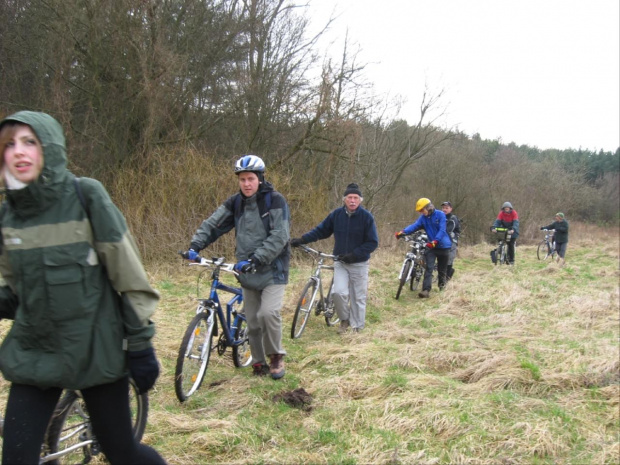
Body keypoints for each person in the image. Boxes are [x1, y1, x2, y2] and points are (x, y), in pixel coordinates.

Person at [0, 111, 166, 464]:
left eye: (30, 141)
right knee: (15, 458)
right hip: (36, 352)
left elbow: (130, 278)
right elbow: (13, 292)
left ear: (50, 147)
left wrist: (139, 344)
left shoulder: (86, 195)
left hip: (97, 351)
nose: (18, 151)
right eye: (9, 144)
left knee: (121, 451)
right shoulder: (7, 217)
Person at [184, 155, 289, 379]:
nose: (246, 184)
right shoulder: (236, 202)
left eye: (251, 178)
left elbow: (280, 236)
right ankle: (258, 362)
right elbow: (214, 224)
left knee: (268, 313)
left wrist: (256, 259)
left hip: (272, 270)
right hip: (247, 271)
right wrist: (195, 246)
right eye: (242, 179)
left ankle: (276, 356)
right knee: (252, 322)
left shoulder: (275, 201)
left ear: (260, 179)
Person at [290, 183, 378, 333]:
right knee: (338, 292)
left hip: (359, 263)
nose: (352, 200)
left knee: (358, 297)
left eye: (355, 198)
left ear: (360, 200)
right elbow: (321, 231)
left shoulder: (366, 218)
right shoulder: (336, 215)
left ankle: (357, 328)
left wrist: (354, 254)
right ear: (344, 199)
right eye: (349, 197)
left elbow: (372, 242)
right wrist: (302, 239)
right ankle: (345, 320)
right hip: (341, 262)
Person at [395, 198, 452, 298]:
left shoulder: (440, 215)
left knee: (442, 270)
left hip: (444, 246)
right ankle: (426, 290)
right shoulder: (423, 218)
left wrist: (435, 241)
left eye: (422, 210)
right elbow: (414, 226)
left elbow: (442, 230)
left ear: (428, 207)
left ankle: (442, 288)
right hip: (432, 247)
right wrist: (403, 232)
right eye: (420, 211)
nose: (421, 212)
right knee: (429, 268)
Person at [441, 201, 461, 280]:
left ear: (451, 209)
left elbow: (448, 230)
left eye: (446, 208)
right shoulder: (440, 217)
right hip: (442, 239)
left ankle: (447, 277)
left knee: (449, 259)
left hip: (452, 240)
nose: (444, 210)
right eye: (443, 208)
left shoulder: (453, 218)